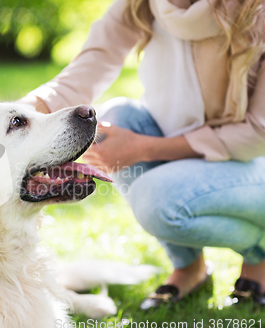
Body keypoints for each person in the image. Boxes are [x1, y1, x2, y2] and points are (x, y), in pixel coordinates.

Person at [16, 0, 265, 309]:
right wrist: (14, 113)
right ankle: (190, 267)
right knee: (117, 119)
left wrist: (144, 148)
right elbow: (88, 67)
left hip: (252, 163)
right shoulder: (143, 4)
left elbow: (258, 132)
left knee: (157, 199)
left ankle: (260, 254)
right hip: (185, 149)